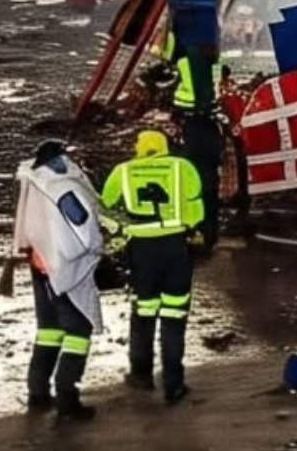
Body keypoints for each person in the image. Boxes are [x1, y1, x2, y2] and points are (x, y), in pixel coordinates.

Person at [101, 130, 204, 404]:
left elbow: (104, 205)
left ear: (140, 147)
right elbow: (197, 211)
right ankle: (174, 383)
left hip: (142, 251)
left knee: (143, 313)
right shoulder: (183, 168)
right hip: (175, 249)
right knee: (174, 316)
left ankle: (141, 375)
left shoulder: (123, 171)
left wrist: (120, 229)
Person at [13, 139, 105, 420]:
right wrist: (99, 246)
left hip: (40, 266)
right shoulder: (63, 188)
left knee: (49, 330)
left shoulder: (32, 181)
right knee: (79, 331)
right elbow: (84, 228)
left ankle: (38, 393)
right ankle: (68, 400)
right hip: (65, 269)